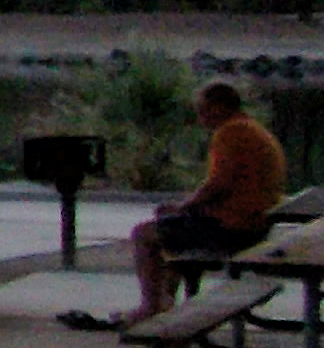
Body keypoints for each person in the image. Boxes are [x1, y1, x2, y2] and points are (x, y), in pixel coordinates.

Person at [82, 83, 287, 328]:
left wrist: (185, 207)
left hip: (234, 229)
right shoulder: (253, 130)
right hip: (253, 224)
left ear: (220, 107)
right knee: (172, 227)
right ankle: (165, 299)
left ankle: (149, 307)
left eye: (203, 110)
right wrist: (185, 209)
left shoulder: (231, 133)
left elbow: (217, 185)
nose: (199, 117)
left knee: (144, 234)